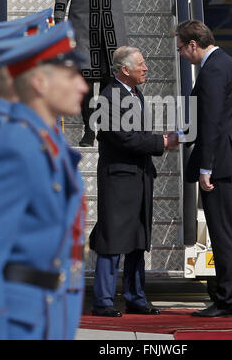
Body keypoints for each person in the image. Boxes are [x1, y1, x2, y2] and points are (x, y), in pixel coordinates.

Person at [0, 22, 88, 340]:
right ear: (39, 83)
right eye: (71, 75)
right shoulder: (15, 148)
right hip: (18, 326)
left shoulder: (49, 145)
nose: (83, 87)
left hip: (48, 316)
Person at [176, 20, 232, 318]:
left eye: (181, 49)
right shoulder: (227, 63)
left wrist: (206, 167)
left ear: (193, 44)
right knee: (230, 232)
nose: (181, 55)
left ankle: (228, 302)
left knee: (224, 233)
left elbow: (212, 121)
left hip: (223, 164)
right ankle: (229, 297)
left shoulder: (214, 69)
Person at [89, 46, 178, 317]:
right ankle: (103, 302)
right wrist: (161, 142)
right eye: (141, 64)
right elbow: (123, 137)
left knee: (138, 240)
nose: (146, 68)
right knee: (112, 240)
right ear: (125, 70)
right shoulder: (108, 97)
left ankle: (135, 297)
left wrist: (157, 140)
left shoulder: (135, 94)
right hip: (118, 180)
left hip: (138, 177)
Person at [54, 0, 146, 147]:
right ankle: (88, 129)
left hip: (112, 29)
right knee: (85, 82)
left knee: (108, 80)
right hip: (83, 27)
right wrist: (58, 16)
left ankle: (104, 128)